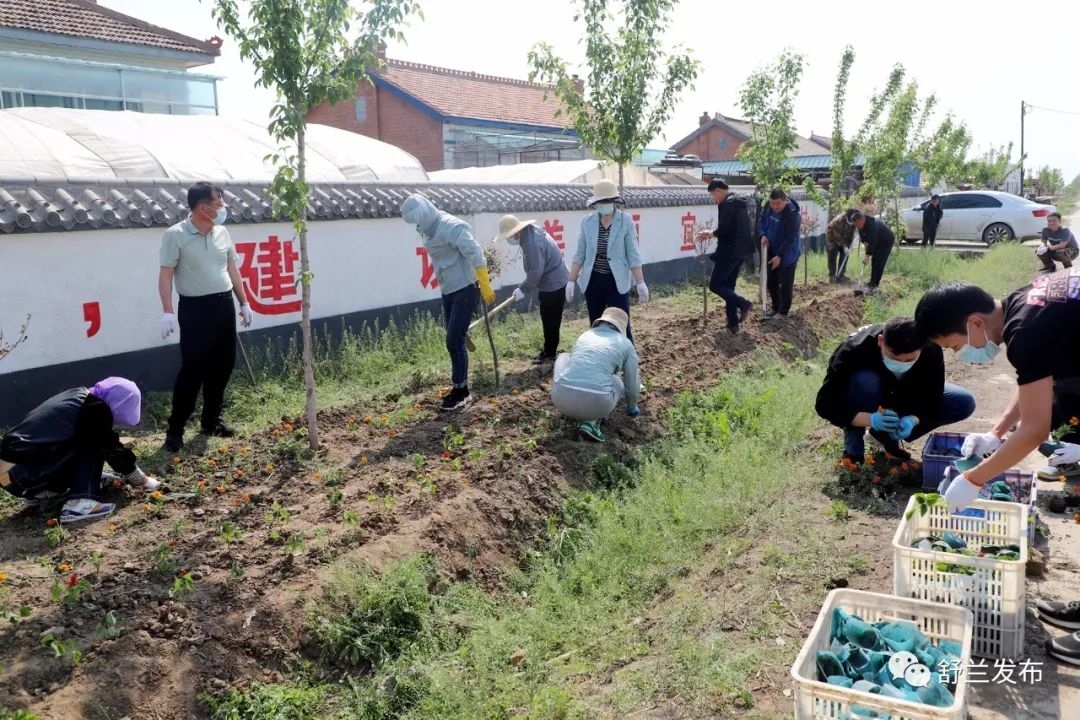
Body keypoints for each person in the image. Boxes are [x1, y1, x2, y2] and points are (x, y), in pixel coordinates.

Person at [914, 274, 1080, 665]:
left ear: (974, 323)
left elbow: (1036, 429)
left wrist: (974, 479)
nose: (958, 354)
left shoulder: (1026, 331)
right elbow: (1036, 383)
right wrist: (996, 432)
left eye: (954, 346)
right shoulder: (1025, 301)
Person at [159, 181, 253, 453]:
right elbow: (165, 276)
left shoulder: (222, 233)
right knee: (193, 370)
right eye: (219, 204)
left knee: (223, 365)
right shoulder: (175, 235)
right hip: (195, 309)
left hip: (223, 306)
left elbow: (232, 269)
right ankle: (175, 431)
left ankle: (211, 420)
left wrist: (244, 302)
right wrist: (167, 311)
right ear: (203, 207)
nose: (222, 209)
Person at [816, 318, 976, 465]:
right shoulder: (853, 350)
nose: (901, 363)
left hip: (904, 390)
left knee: (962, 401)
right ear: (881, 342)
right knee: (865, 380)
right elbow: (825, 403)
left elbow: (933, 393)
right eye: (894, 357)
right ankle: (853, 452)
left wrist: (913, 419)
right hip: (867, 393)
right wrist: (871, 419)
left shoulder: (930, 347)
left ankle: (885, 437)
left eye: (909, 360)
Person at [0, 378, 160, 523]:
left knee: (85, 438)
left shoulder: (77, 397)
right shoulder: (94, 409)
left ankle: (37, 495)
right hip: (23, 474)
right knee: (92, 443)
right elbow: (112, 450)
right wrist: (141, 480)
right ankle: (80, 502)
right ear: (119, 403)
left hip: (10, 475)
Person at [402, 193, 495, 410]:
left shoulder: (450, 226)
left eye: (417, 220)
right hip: (449, 289)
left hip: (464, 288)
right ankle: (459, 387)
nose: (416, 226)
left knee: (454, 340)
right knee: (455, 340)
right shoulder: (429, 229)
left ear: (424, 214)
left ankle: (461, 392)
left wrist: (485, 282)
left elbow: (475, 252)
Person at [566, 179, 649, 343]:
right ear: (595, 203)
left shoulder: (625, 222)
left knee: (620, 324)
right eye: (600, 202)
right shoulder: (587, 222)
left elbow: (633, 254)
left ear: (614, 202)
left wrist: (640, 282)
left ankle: (627, 361)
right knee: (596, 325)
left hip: (616, 281)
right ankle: (602, 362)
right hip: (593, 280)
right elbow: (580, 254)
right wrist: (571, 281)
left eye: (607, 201)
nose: (604, 205)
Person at [550, 307, 640, 443]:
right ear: (621, 327)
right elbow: (631, 383)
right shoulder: (625, 344)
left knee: (564, 357)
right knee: (618, 383)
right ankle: (592, 422)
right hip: (596, 404)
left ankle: (571, 405)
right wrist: (632, 407)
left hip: (561, 401)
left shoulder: (585, 335)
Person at [494, 214, 569, 364]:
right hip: (549, 281)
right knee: (547, 317)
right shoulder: (529, 234)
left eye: (509, 236)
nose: (509, 239)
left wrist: (523, 289)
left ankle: (551, 355)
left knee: (551, 319)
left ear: (516, 232)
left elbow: (536, 272)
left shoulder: (532, 243)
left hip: (554, 282)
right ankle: (548, 351)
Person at [696, 179, 754, 332]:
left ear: (718, 191)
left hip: (728, 252)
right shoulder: (739, 201)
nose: (714, 199)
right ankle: (733, 323)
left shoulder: (726, 205)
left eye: (713, 195)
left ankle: (743, 303)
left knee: (715, 285)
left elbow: (724, 230)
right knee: (728, 287)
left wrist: (710, 233)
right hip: (741, 251)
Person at [758, 188, 801, 319]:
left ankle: (783, 312)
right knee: (771, 281)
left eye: (778, 203)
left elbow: (790, 238)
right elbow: (762, 220)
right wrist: (763, 234)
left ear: (785, 201)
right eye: (772, 203)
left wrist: (780, 256)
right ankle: (775, 307)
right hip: (771, 249)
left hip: (787, 252)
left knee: (785, 283)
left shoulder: (792, 214)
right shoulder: (768, 206)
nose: (775, 206)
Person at [849, 210, 895, 294]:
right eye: (855, 225)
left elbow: (872, 242)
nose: (856, 227)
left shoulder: (873, 225)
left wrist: (867, 255)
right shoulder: (860, 226)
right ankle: (871, 282)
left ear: (861, 220)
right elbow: (863, 238)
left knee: (879, 262)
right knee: (874, 261)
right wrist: (865, 243)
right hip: (877, 241)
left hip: (886, 241)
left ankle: (875, 285)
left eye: (857, 224)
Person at [825, 209, 858, 283]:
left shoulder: (855, 219)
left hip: (844, 237)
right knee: (832, 255)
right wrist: (844, 246)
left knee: (845, 255)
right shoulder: (839, 220)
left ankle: (841, 275)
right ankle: (832, 276)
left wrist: (849, 245)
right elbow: (837, 235)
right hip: (832, 238)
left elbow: (852, 233)